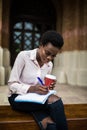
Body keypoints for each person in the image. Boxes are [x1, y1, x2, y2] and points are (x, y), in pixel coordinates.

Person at [8, 30, 68, 130]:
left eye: (53, 56)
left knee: (51, 127)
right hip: (17, 98)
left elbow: (42, 85)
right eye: (47, 53)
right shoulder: (24, 56)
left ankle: (46, 122)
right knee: (55, 102)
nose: (49, 58)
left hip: (36, 100)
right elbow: (12, 85)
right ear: (41, 45)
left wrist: (47, 88)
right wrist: (33, 89)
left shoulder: (49, 65)